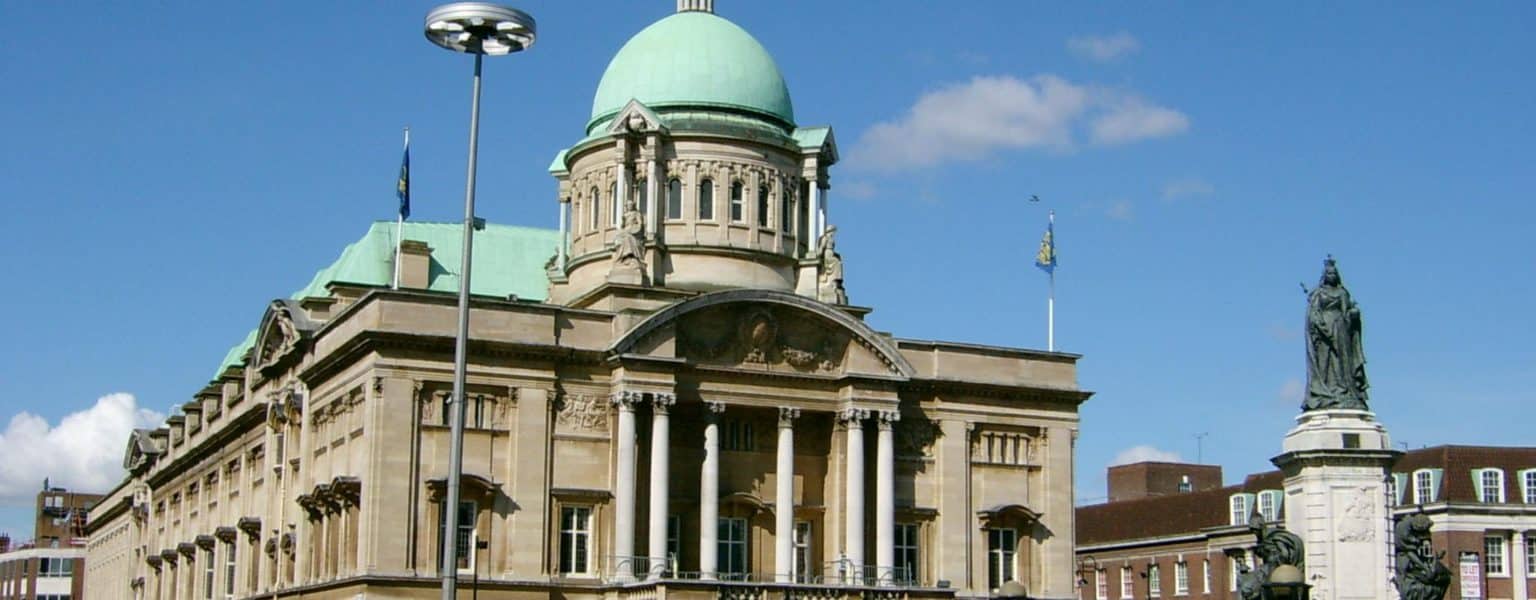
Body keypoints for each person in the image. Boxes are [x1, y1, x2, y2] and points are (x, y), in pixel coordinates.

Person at [1304, 257, 1369, 411]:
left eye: (1334, 273)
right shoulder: (1318, 294)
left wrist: (1354, 315)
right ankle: (1324, 392)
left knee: (1343, 361)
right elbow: (1313, 314)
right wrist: (1321, 327)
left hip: (1341, 329)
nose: (1332, 276)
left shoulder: (1342, 293)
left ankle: (1345, 390)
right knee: (1324, 362)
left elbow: (1347, 312)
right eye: (1329, 273)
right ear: (1325, 276)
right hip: (1323, 333)